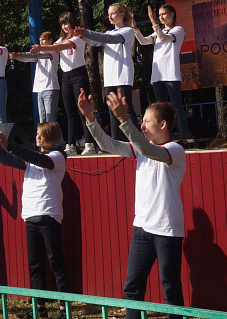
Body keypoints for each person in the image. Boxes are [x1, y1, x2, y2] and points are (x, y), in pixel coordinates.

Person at [78, 89, 186, 319]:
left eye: (147, 121)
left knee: (171, 288)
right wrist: (90, 118)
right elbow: (107, 144)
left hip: (167, 230)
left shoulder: (175, 150)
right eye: (141, 121)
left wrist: (123, 119)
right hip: (142, 229)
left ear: (163, 124)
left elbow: (148, 149)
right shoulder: (140, 148)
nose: (143, 126)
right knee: (132, 287)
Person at [0, 123, 69, 319]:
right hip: (31, 215)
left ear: (51, 136)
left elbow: (37, 158)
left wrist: (9, 144)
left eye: (41, 134)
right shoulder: (33, 159)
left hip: (49, 214)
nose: (37, 137)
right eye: (36, 134)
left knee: (56, 262)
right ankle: (39, 307)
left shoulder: (57, 156)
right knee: (35, 264)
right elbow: (9, 160)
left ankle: (64, 309)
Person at [30, 12, 96, 155]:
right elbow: (54, 47)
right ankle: (71, 144)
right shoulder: (60, 39)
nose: (64, 27)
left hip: (79, 75)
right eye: (62, 24)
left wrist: (41, 48)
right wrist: (35, 50)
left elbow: (59, 48)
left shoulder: (78, 38)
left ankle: (89, 143)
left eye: (66, 23)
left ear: (73, 23)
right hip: (66, 76)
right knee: (69, 112)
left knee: (82, 111)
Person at [73, 3, 138, 141]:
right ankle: (116, 143)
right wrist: (83, 36)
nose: (110, 17)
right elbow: (96, 42)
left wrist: (87, 32)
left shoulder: (128, 31)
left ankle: (135, 142)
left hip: (123, 75)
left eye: (113, 13)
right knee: (112, 111)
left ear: (122, 14)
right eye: (108, 14)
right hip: (110, 77)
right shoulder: (109, 32)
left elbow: (110, 39)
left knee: (126, 109)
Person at [133, 4, 187, 139]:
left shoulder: (178, 30)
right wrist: (135, 28)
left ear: (172, 14)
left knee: (176, 107)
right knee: (160, 110)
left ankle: (183, 138)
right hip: (158, 75)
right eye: (159, 15)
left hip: (171, 74)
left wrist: (153, 21)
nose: (161, 17)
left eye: (164, 14)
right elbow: (144, 41)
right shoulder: (158, 32)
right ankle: (163, 138)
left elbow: (163, 38)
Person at [10, 31, 60, 124]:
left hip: (50, 88)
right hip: (39, 89)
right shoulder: (39, 53)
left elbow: (37, 55)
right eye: (40, 40)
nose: (41, 42)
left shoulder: (53, 52)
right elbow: (30, 58)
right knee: (42, 120)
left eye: (43, 40)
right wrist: (17, 57)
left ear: (50, 40)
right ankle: (44, 134)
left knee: (51, 120)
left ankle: (56, 134)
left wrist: (19, 54)